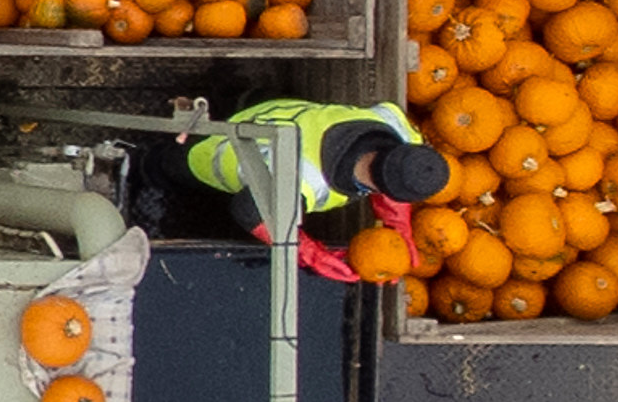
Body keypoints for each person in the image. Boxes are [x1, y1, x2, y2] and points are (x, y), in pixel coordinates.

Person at [172, 95, 451, 283]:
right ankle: (155, 166)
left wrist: (397, 222)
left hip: (279, 114)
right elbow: (248, 210)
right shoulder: (303, 176)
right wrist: (309, 253)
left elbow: (396, 163)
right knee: (170, 167)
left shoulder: (395, 128)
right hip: (216, 153)